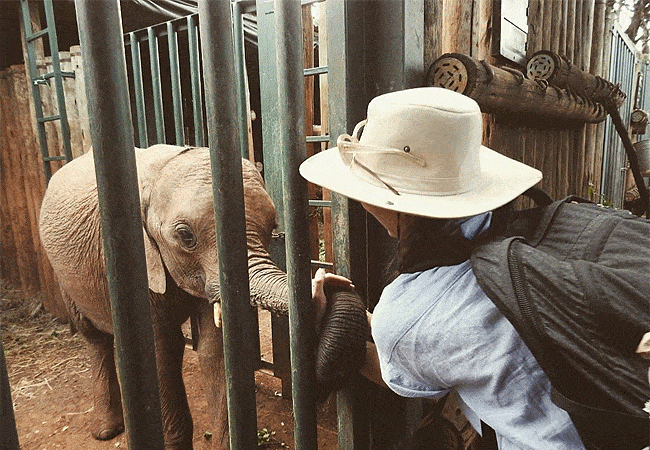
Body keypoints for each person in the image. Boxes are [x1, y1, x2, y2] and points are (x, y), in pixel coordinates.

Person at [300, 87, 587, 449]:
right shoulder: (498, 227)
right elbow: (436, 333)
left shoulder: (411, 312)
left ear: (392, 201)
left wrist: (336, 325)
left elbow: (404, 373)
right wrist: (368, 319)